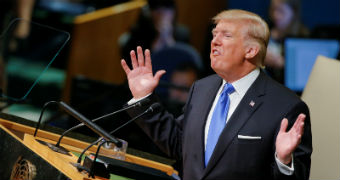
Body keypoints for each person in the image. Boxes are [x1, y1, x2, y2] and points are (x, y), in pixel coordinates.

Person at [121, 9, 312, 180]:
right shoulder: (201, 88)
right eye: (214, 35)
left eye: (226, 36)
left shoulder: (286, 107)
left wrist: (284, 162)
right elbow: (180, 144)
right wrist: (144, 99)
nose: (214, 42)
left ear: (251, 50)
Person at [265, 0, 309, 83]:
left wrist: (282, 64)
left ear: (293, 12)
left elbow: (305, 70)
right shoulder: (264, 29)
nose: (275, 15)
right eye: (273, 9)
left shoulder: (303, 36)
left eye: (281, 11)